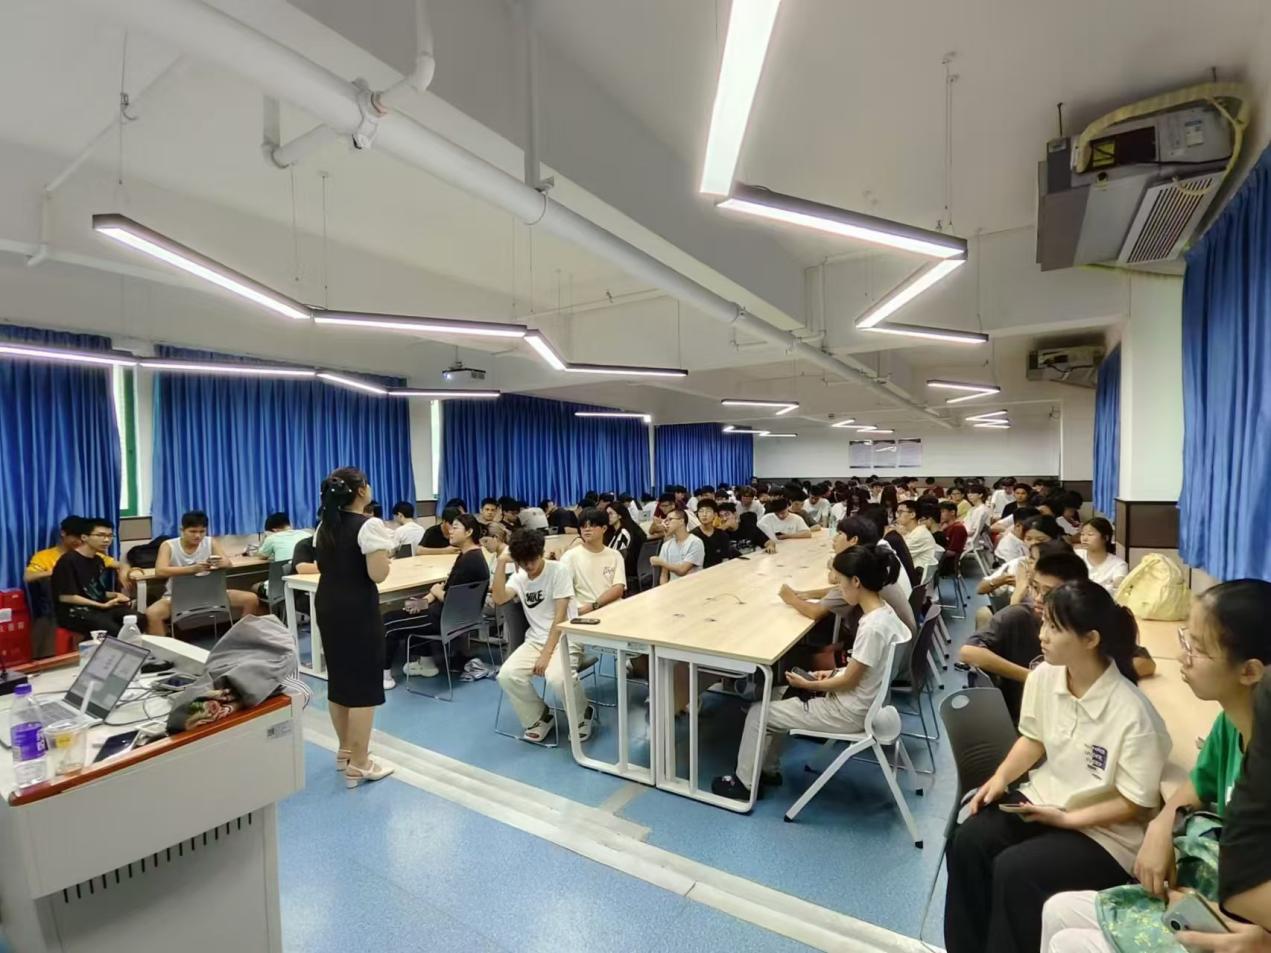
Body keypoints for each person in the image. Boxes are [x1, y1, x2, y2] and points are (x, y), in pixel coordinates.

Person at [1041, 579, 1271, 953]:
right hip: (1223, 907)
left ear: (1249, 672)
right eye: (1185, 639)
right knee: (1058, 911)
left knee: (1071, 943)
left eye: (1197, 648)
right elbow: (1197, 784)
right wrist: (1162, 824)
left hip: (1246, 931)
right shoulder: (1230, 725)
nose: (1182, 656)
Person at [943, 580, 1171, 953]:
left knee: (1016, 870)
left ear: (1090, 639)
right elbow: (1033, 738)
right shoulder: (1045, 677)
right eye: (1044, 623)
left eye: (1054, 627)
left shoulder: (1133, 713)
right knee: (968, 841)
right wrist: (1001, 778)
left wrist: (1066, 819)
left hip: (1103, 834)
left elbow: (1135, 803)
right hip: (1044, 800)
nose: (1042, 636)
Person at [711, 544, 913, 802]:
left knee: (758, 713)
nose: (838, 587)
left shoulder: (872, 627)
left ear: (856, 581)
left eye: (840, 582)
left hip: (848, 711)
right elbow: (863, 669)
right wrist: (831, 673)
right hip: (864, 702)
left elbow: (849, 681)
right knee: (778, 694)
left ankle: (743, 784)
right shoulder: (885, 613)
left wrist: (810, 686)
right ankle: (767, 770)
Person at [314, 467, 396, 787]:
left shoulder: (325, 524)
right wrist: (385, 554)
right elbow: (378, 574)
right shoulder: (369, 524)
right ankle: (360, 764)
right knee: (364, 685)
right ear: (361, 490)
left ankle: (345, 751)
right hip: (357, 608)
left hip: (328, 604)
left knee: (340, 679)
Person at [959, 547, 1090, 722]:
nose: (1038, 598)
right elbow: (968, 651)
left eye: (1048, 593)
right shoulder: (1019, 616)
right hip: (1028, 716)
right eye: (1035, 588)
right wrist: (1032, 677)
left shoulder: (1087, 625)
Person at [492, 529, 594, 744]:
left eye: (532, 559)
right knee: (507, 675)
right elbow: (499, 598)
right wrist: (501, 563)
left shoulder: (558, 571)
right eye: (523, 561)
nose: (529, 566)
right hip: (536, 640)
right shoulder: (519, 577)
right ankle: (540, 717)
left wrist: (546, 655)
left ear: (541, 553)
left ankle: (583, 713)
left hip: (566, 636)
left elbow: (560, 618)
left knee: (557, 677)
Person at [381, 512, 491, 688]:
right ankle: (426, 663)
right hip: (458, 617)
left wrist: (434, 591)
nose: (450, 531)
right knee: (410, 606)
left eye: (455, 528)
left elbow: (449, 597)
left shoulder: (469, 561)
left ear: (469, 532)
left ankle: (384, 676)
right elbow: (447, 586)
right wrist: (424, 600)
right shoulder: (471, 556)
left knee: (388, 620)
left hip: (444, 618)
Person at [145, 511, 262, 635]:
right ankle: (163, 646)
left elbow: (228, 563)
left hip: (211, 594)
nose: (198, 536)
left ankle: (242, 636)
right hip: (179, 597)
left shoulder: (210, 542)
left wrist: (219, 563)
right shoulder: (168, 545)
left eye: (202, 531)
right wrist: (192, 569)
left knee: (251, 599)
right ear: (182, 530)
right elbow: (160, 571)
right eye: (193, 531)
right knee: (152, 613)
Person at [50, 517, 132, 637]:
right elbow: (66, 597)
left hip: (97, 607)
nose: (106, 540)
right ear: (84, 537)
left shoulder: (98, 560)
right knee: (113, 629)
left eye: (110, 536)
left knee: (137, 619)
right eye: (100, 535)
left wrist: (116, 595)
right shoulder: (68, 561)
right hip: (73, 611)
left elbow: (95, 591)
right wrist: (101, 605)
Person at [26, 515, 124, 587]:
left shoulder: (92, 555)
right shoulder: (44, 556)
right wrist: (56, 572)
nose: (80, 541)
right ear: (63, 533)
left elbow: (121, 565)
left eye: (82, 537)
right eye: (76, 536)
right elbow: (28, 577)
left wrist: (123, 574)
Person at [561, 509, 626, 615]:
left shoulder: (615, 555)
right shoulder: (570, 557)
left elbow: (618, 589)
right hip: (585, 613)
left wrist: (594, 605)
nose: (587, 529)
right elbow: (563, 592)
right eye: (583, 526)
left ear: (604, 528)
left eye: (592, 525)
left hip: (614, 609)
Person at [649, 509, 706, 584]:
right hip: (673, 587)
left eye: (670, 519)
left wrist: (661, 562)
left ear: (681, 521)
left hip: (692, 585)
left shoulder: (695, 542)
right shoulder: (666, 545)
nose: (666, 524)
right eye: (666, 520)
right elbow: (664, 575)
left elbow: (682, 570)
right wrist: (665, 589)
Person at [1078, 517, 1128, 594]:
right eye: (1082, 534)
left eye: (1090, 534)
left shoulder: (1119, 565)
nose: (1084, 538)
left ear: (1106, 537)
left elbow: (1119, 590)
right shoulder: (1075, 556)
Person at [895, 500, 939, 575]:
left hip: (914, 575)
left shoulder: (919, 535)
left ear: (912, 514)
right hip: (911, 571)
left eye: (900, 512)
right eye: (897, 512)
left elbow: (897, 556)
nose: (897, 516)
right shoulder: (913, 531)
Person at [693, 498, 732, 568]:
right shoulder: (693, 535)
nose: (704, 514)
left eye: (708, 511)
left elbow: (725, 559)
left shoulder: (722, 535)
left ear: (715, 514)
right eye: (701, 511)